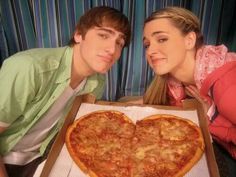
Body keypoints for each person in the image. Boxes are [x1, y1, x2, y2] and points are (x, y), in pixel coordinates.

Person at [0, 6, 131, 177]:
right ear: (78, 35)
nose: (112, 50)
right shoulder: (28, 68)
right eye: (103, 35)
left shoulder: (97, 80)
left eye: (119, 43)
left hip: (43, 157)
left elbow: (82, 128)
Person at [142, 6, 236, 161]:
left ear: (189, 40)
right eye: (147, 44)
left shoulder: (225, 84)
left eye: (162, 39)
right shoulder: (176, 81)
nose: (150, 51)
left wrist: (211, 114)